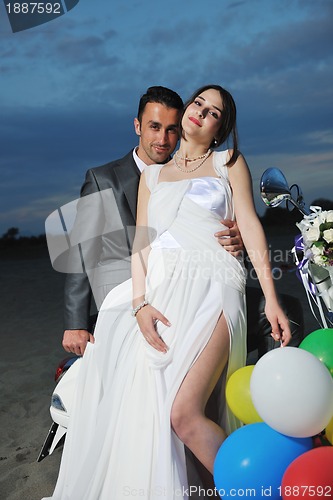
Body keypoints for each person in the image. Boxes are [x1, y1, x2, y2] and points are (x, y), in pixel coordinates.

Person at [43, 84, 291, 500]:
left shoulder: (228, 161)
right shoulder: (150, 176)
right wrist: (139, 304)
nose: (201, 113)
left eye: (213, 113)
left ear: (220, 129)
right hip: (159, 289)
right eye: (199, 103)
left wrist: (271, 295)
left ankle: (258, 491)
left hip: (215, 285)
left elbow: (249, 224)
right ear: (139, 126)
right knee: (140, 389)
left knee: (184, 412)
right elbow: (139, 245)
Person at [62, 85, 303, 360]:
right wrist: (75, 322)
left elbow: (229, 224)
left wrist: (235, 236)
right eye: (154, 127)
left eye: (171, 129)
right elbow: (83, 251)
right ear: (137, 126)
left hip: (203, 280)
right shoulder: (103, 178)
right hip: (136, 290)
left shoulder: (199, 168)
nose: (163, 139)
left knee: (287, 307)